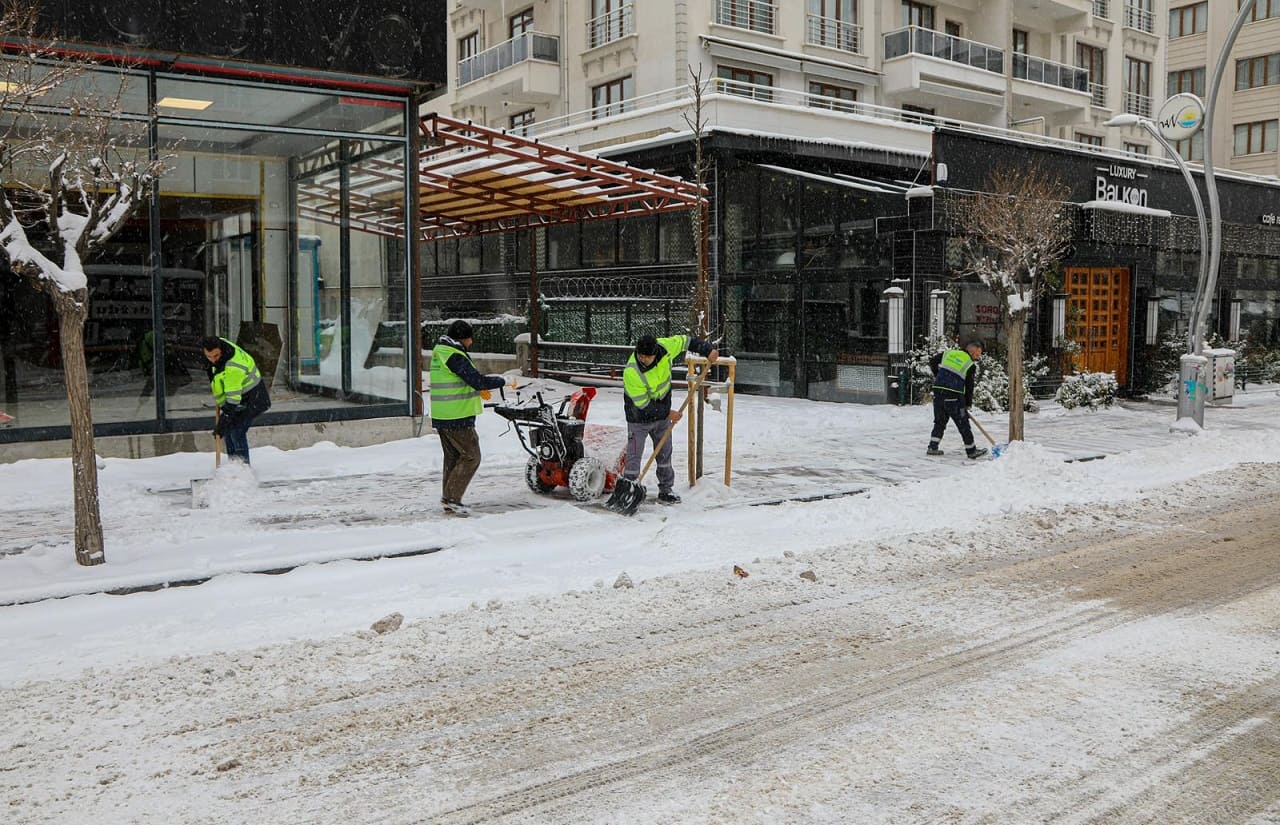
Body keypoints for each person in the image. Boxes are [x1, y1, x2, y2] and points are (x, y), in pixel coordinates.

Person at [622, 332, 718, 505]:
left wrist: (707, 350)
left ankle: (666, 489)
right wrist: (667, 413)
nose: (643, 359)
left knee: (665, 453)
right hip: (638, 417)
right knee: (634, 456)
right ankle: (628, 490)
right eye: (641, 356)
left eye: (647, 356)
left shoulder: (665, 347)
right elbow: (643, 404)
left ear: (655, 352)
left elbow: (686, 341)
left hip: (662, 413)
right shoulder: (632, 372)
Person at [429, 319, 506, 516]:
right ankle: (452, 499)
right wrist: (503, 380)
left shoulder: (441, 351)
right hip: (457, 416)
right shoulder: (454, 355)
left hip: (443, 414)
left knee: (454, 458)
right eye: (470, 338)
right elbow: (476, 380)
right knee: (472, 456)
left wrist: (477, 389)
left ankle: (449, 499)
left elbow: (459, 381)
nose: (471, 342)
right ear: (462, 338)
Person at [202, 335, 271, 464]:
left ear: (221, 350)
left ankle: (243, 469)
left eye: (216, 356)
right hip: (242, 396)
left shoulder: (233, 367)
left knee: (237, 431)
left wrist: (224, 419)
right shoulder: (221, 345)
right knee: (229, 430)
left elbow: (233, 400)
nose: (212, 360)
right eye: (208, 357)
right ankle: (233, 467)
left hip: (254, 399)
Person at [927, 338, 988, 460]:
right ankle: (971, 450)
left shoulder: (949, 353)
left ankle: (932, 447)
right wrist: (967, 404)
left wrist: (938, 376)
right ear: (972, 351)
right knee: (963, 423)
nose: (978, 357)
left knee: (940, 421)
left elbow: (932, 361)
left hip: (938, 392)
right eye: (978, 354)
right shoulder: (969, 364)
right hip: (954, 396)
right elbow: (969, 386)